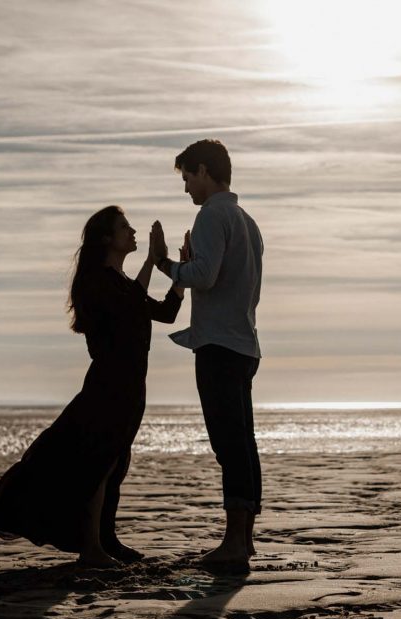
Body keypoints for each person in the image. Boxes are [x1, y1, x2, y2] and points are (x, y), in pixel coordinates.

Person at [0, 206, 185, 568]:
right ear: (106, 238)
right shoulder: (95, 282)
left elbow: (167, 313)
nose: (133, 231)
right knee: (98, 463)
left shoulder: (121, 282)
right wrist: (152, 261)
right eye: (124, 227)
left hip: (132, 387)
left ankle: (106, 539)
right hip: (107, 386)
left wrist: (182, 275)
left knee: (116, 463)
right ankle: (91, 549)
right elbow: (127, 307)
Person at [151, 139, 263, 569]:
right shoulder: (247, 221)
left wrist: (165, 264)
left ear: (202, 170)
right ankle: (244, 540)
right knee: (242, 442)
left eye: (186, 178)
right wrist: (191, 264)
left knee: (228, 443)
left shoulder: (212, 215)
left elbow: (206, 275)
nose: (185, 188)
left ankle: (235, 543)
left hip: (220, 343)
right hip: (244, 342)